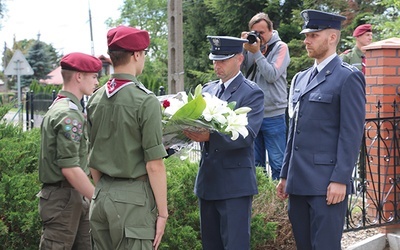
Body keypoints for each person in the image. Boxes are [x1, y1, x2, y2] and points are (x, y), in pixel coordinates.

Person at [276, 10, 366, 250]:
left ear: (332, 38)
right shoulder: (301, 78)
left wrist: (340, 179)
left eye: (313, 35)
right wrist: (285, 174)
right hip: (298, 182)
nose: (307, 40)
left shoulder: (348, 77)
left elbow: (351, 134)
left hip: (326, 185)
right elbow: (294, 130)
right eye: (307, 35)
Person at [86, 25, 168, 250]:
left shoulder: (95, 98)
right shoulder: (145, 100)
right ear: (136, 55)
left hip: (101, 196)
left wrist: (105, 189)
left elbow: (92, 156)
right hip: (133, 201)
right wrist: (163, 214)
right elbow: (154, 166)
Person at [183, 36, 264, 250]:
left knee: (235, 245)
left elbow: (247, 134)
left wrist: (210, 137)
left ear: (239, 58)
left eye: (223, 60)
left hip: (234, 184)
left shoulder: (251, 92)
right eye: (214, 60)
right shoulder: (208, 90)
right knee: (211, 245)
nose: (217, 65)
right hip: (208, 182)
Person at [37, 52, 101, 249]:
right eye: (94, 76)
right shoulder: (68, 114)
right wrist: (100, 199)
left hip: (72, 195)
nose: (97, 82)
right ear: (79, 76)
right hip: (64, 198)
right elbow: (70, 168)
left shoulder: (64, 106)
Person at [240, 12, 290, 180]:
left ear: (271, 30)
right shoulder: (251, 47)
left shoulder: (281, 47)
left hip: (273, 114)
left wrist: (257, 53)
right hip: (253, 114)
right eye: (255, 32)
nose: (258, 36)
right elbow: (240, 72)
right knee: (255, 164)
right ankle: (261, 202)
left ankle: (279, 203)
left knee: (277, 163)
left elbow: (272, 75)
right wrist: (242, 47)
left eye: (262, 32)